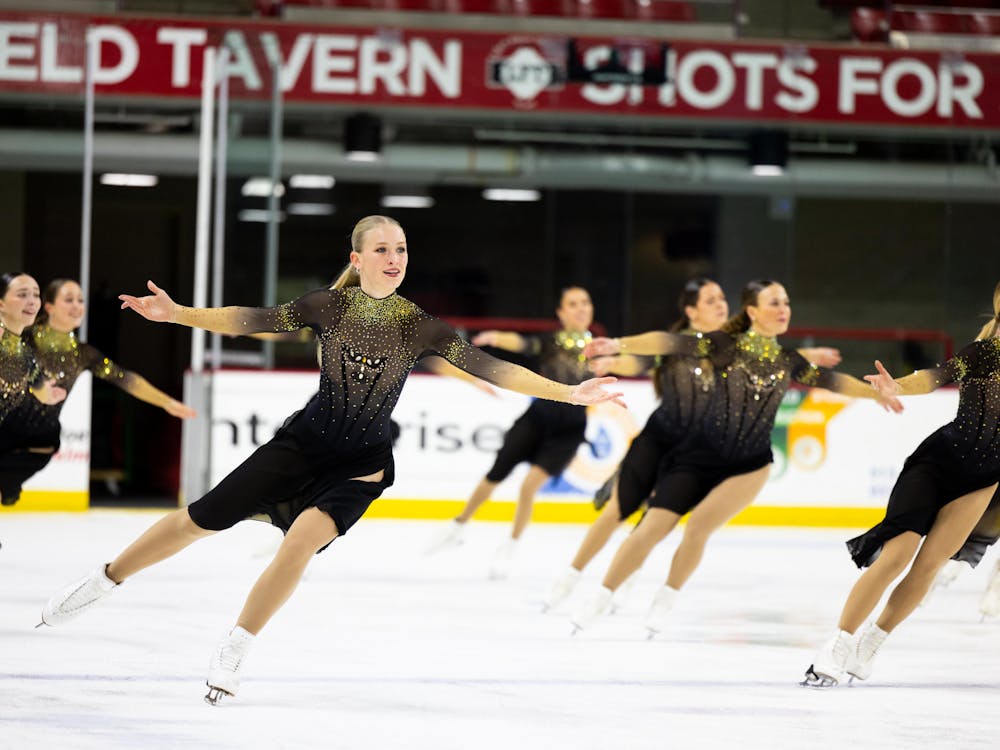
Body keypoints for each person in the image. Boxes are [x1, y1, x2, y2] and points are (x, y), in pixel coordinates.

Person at [39, 215, 624, 705]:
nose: (394, 258)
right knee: (200, 519)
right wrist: (179, 314)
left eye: (400, 249)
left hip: (360, 465)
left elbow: (492, 366)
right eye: (382, 249)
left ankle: (237, 644)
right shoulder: (328, 306)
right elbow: (250, 320)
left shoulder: (419, 325)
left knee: (299, 544)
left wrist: (570, 392)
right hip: (301, 446)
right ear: (358, 257)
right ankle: (104, 580)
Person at [570, 279, 899, 637]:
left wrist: (873, 394)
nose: (783, 309)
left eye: (786, 302)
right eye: (773, 302)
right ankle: (602, 597)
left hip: (748, 465)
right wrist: (618, 343)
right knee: (651, 528)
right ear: (753, 312)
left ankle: (665, 598)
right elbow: (670, 341)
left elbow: (831, 381)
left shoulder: (787, 360)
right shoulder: (723, 345)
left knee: (697, 528)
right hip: (697, 457)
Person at [802, 281, 1000, 687]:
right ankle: (837, 645)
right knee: (897, 556)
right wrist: (897, 386)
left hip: (983, 480)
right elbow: (935, 375)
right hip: (938, 464)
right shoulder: (985, 353)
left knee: (928, 567)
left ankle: (869, 647)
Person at [426, 285, 600, 579]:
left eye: (585, 302)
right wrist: (495, 337)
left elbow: (623, 360)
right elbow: (521, 343)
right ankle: (459, 524)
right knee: (497, 472)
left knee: (529, 487)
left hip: (568, 430)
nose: (581, 308)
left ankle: (509, 547)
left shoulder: (601, 348)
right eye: (573, 304)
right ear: (561, 312)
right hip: (537, 419)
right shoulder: (550, 342)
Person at [0, 279, 195, 506]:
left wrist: (166, 402)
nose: (76, 306)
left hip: (38, 441)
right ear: (49, 307)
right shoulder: (24, 337)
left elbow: (125, 378)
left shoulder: (84, 354)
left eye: (80, 300)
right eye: (68, 300)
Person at [0, 272, 67, 507]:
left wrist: (48, 394)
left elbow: (37, 382)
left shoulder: (22, 350)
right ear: (1, 304)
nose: (32, 301)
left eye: (36, 295)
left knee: (48, 437)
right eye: (22, 295)